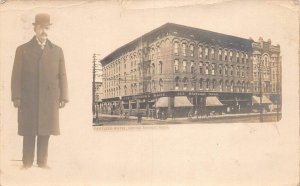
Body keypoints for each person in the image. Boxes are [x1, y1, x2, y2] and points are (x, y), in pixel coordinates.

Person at [11, 13, 68, 169]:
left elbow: (62, 74)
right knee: (29, 130)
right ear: (35, 28)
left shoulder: (57, 50)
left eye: (47, 28)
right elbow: (16, 75)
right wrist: (16, 96)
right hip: (29, 98)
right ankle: (27, 163)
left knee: (45, 131)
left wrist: (64, 96)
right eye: (42, 27)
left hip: (49, 98)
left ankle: (42, 162)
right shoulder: (22, 50)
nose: (45, 31)